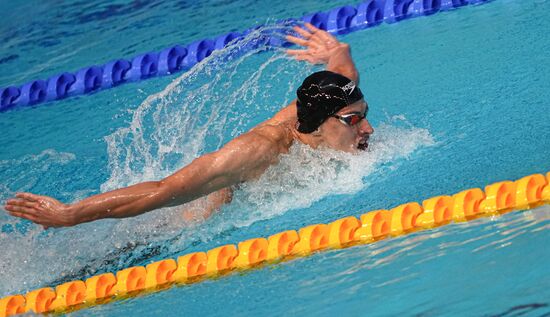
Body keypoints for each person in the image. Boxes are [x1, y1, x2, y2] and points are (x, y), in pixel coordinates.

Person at [4, 23, 374, 228]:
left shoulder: (333, 104)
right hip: (197, 215)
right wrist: (71, 214)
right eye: (354, 120)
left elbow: (343, 71)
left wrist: (336, 51)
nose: (368, 129)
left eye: (364, 114)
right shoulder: (257, 149)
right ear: (320, 123)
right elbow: (164, 189)